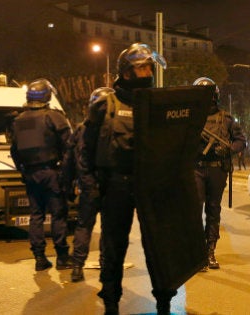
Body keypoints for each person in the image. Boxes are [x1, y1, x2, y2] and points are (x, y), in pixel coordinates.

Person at [82, 42, 175, 315]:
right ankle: (111, 301)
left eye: (149, 67)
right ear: (126, 73)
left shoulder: (159, 105)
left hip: (150, 185)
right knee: (113, 247)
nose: (147, 72)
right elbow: (86, 150)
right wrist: (89, 187)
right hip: (116, 185)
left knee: (158, 247)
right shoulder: (105, 105)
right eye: (141, 68)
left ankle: (164, 302)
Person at [10, 78, 74, 272]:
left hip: (30, 174)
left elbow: (14, 150)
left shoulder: (18, 120)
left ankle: (39, 257)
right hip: (51, 172)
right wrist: (68, 172)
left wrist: (22, 169)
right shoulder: (54, 117)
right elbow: (69, 147)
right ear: (47, 96)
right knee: (58, 215)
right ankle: (62, 257)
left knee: (36, 215)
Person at [193, 77, 246, 271]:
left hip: (217, 169)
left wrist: (230, 149)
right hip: (196, 168)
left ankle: (210, 251)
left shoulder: (226, 119)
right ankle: (197, 253)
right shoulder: (190, 118)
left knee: (213, 211)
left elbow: (241, 140)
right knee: (195, 210)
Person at [68, 87, 113, 282]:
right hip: (111, 184)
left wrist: (69, 184)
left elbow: (72, 158)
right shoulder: (115, 128)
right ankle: (105, 265)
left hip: (88, 185)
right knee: (108, 228)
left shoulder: (82, 129)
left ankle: (77, 266)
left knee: (84, 226)